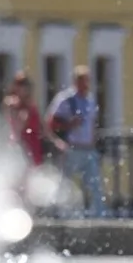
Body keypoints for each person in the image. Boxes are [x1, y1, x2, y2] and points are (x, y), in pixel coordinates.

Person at [44, 65, 105, 217]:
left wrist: (95, 143)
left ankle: (99, 216)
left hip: (88, 149)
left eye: (88, 81)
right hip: (72, 149)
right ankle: (62, 214)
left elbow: (92, 124)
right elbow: (50, 123)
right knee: (66, 184)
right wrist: (67, 126)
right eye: (83, 81)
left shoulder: (90, 99)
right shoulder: (66, 99)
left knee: (95, 185)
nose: (86, 84)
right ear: (76, 81)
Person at [3, 70, 43, 167]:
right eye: (20, 84)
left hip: (33, 143)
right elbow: (17, 124)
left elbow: (41, 125)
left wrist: (55, 141)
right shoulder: (11, 102)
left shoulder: (31, 104)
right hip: (19, 143)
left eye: (25, 85)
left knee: (34, 173)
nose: (23, 88)